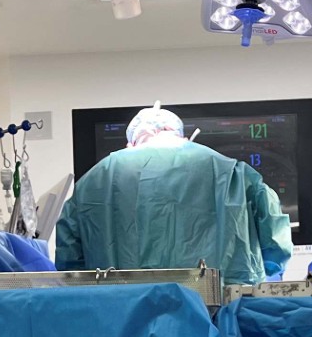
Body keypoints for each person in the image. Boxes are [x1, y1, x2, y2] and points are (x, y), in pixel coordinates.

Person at [54, 105, 290, 285]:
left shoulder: (96, 179)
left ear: (131, 142)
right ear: (181, 135)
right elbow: (275, 242)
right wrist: (264, 276)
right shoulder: (232, 171)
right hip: (218, 312)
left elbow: (70, 266)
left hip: (123, 315)